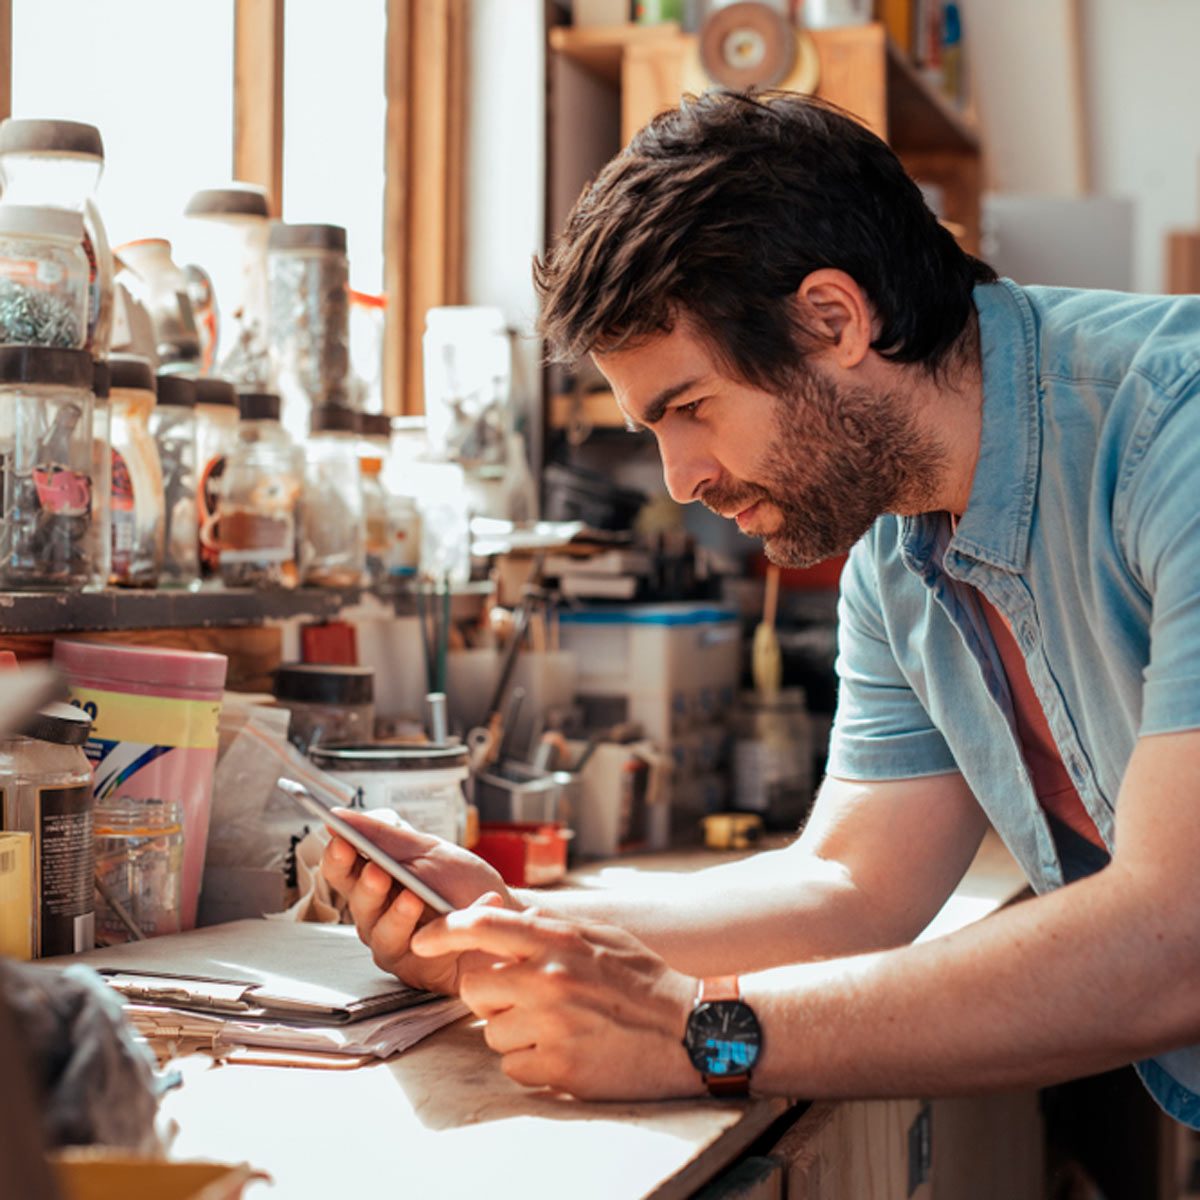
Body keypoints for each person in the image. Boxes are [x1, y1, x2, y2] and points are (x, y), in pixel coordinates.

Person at [323, 90, 1200, 1124]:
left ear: (833, 320)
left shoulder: (1173, 436)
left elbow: (1176, 940)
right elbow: (848, 886)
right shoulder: (898, 543)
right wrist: (514, 924)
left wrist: (698, 1034)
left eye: (689, 409)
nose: (681, 478)